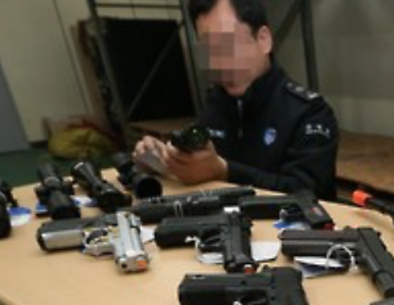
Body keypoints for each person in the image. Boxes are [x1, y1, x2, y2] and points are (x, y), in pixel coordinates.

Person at [133, 0, 338, 199]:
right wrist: (168, 161)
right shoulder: (216, 103)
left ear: (263, 40)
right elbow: (201, 170)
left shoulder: (310, 113)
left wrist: (225, 172)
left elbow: (307, 193)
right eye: (209, 49)